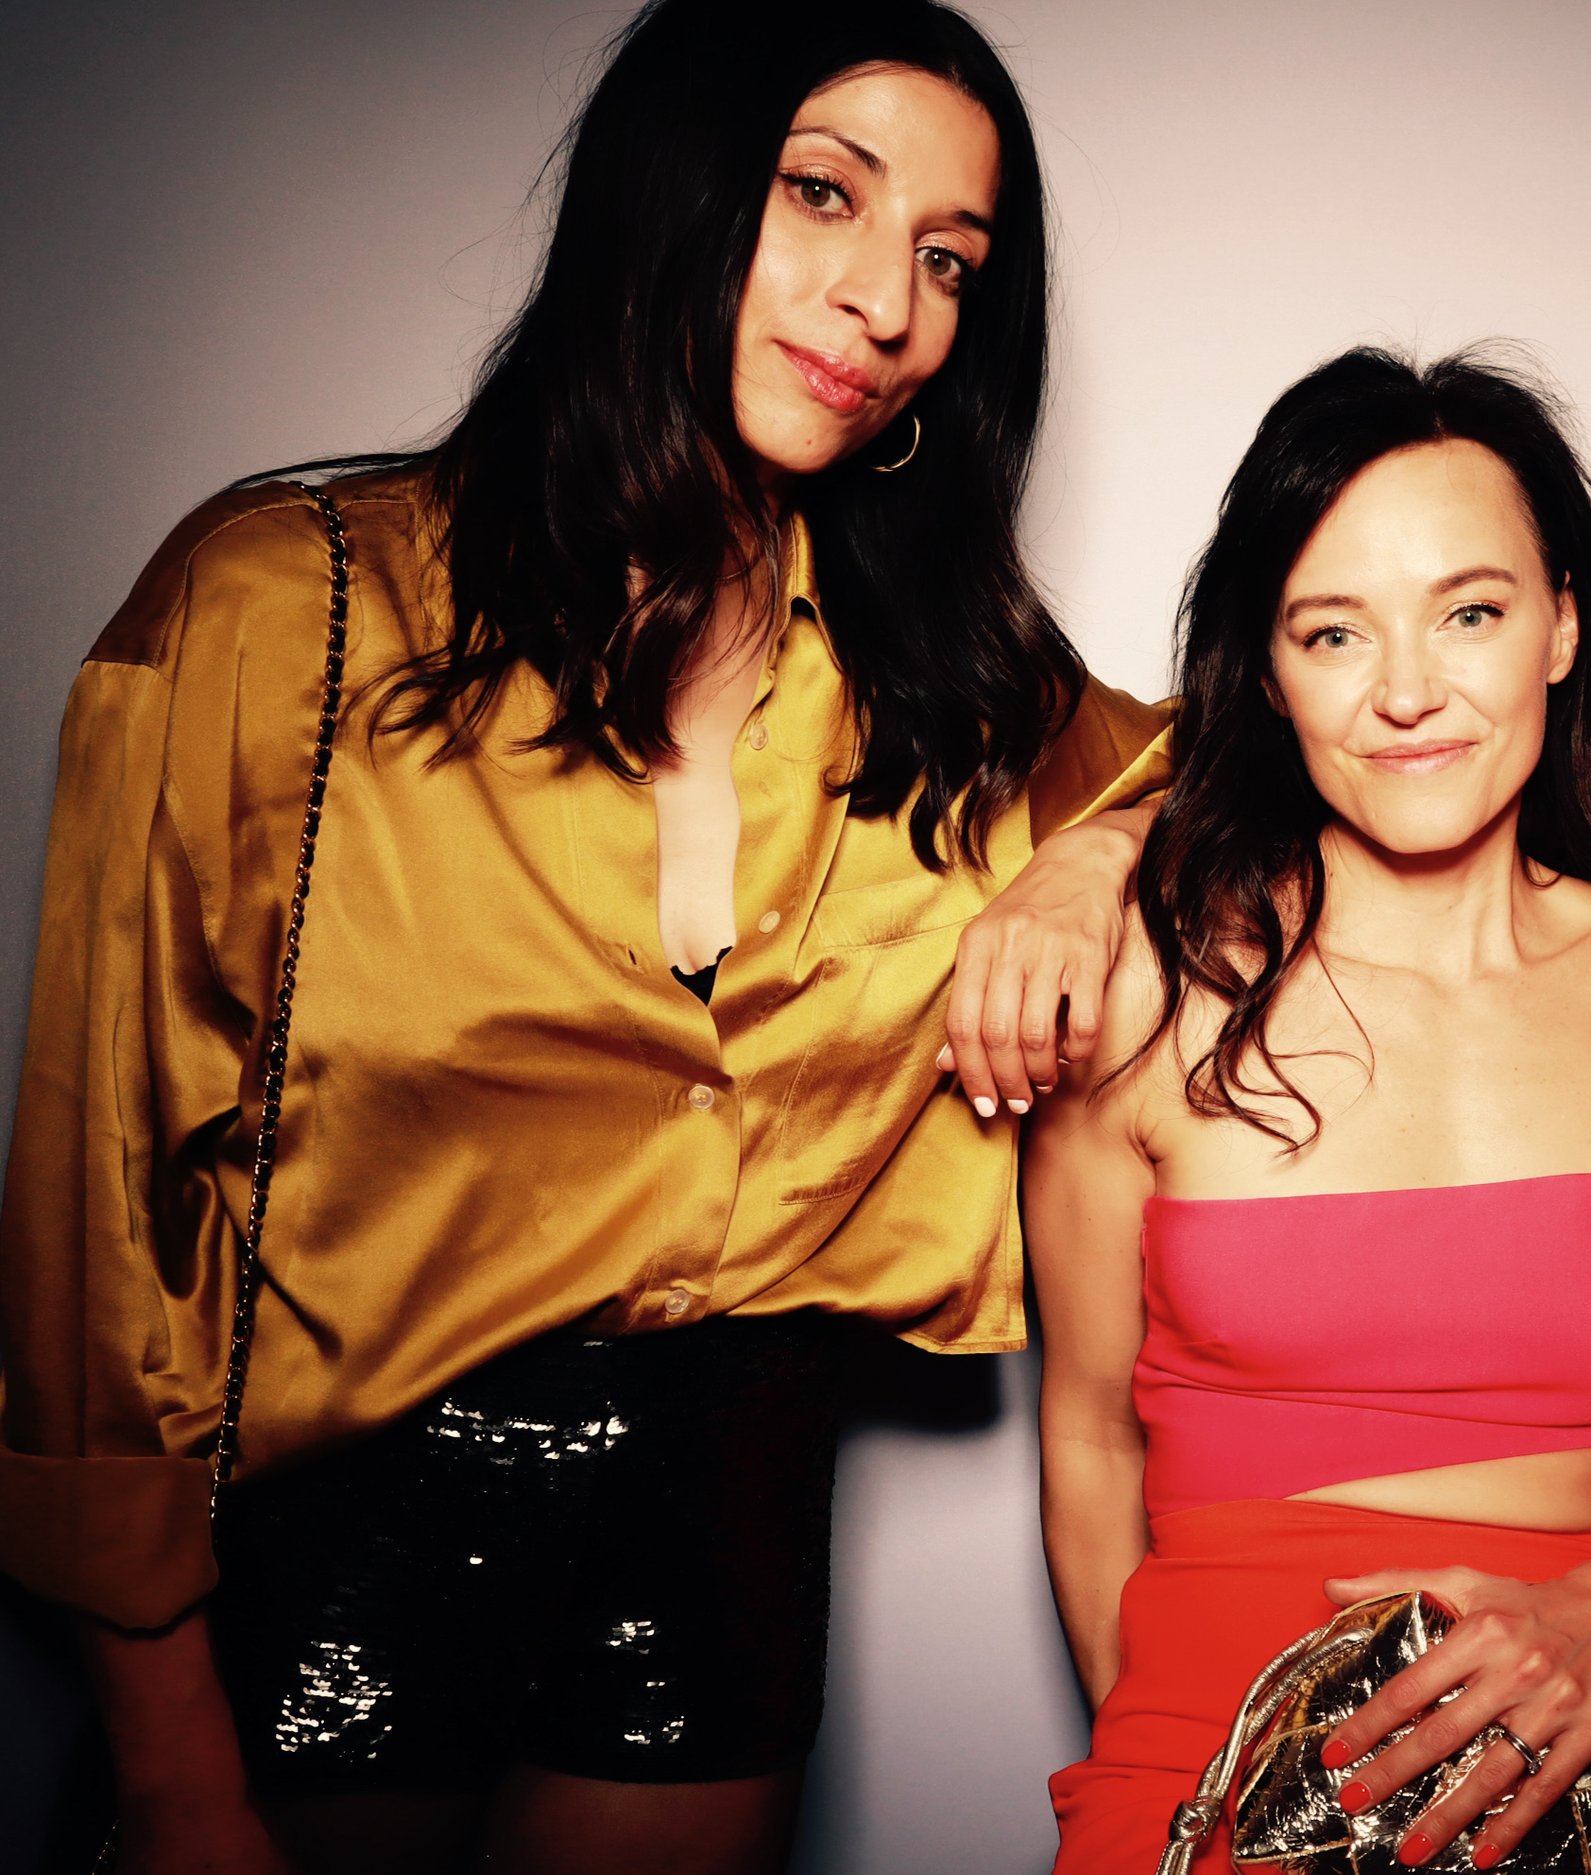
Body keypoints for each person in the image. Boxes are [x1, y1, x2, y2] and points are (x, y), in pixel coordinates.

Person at [0, 5, 1167, 1873]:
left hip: (724, 1552)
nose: (889, 305)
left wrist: (1084, 870)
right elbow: (97, 1222)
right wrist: (168, 1768)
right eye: (823, 199)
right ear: (671, 192)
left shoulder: (949, 682)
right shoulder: (280, 611)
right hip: (334, 1560)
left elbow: (1242, 768)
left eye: (950, 261)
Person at [1029, 347, 1591, 1874]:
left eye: (1471, 612)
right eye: (1334, 631)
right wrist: (1183, 1790)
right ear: (1264, 667)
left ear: (1564, 623)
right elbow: (1093, 1447)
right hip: (1210, 1770)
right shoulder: (1135, 990)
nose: (1404, 692)